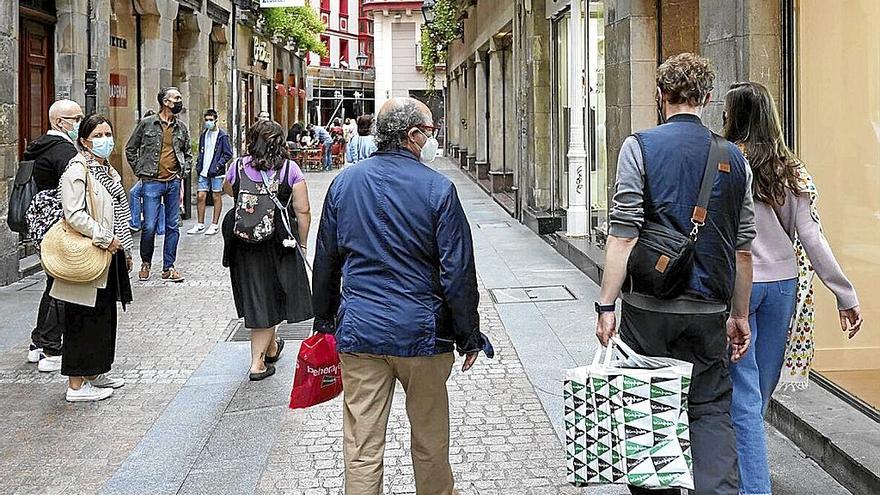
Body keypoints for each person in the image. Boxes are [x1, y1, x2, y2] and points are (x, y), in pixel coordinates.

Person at [311, 97, 493, 494]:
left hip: (360, 331)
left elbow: (326, 259)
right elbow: (458, 273)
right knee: (430, 443)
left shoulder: (345, 182)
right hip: (422, 335)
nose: (432, 138)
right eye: (430, 131)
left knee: (361, 446)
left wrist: (325, 322)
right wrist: (468, 335)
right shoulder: (438, 189)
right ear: (413, 136)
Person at [593, 53, 755, 495]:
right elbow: (743, 249)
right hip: (709, 310)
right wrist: (739, 315)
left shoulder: (638, 146)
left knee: (646, 410)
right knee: (710, 410)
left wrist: (607, 306)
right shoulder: (735, 158)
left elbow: (623, 235)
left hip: (648, 309)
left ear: (661, 96)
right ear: (705, 97)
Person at [722, 81, 863, 495]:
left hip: (739, 289)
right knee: (757, 393)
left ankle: (751, 485)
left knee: (745, 396)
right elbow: (812, 236)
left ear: (737, 116)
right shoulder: (790, 168)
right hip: (783, 286)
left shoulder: (727, 161)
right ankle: (746, 471)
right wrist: (845, 293)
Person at [222, 120, 313, 380]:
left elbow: (230, 191)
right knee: (271, 296)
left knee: (259, 296)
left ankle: (271, 347)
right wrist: (303, 243)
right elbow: (303, 210)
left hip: (243, 245)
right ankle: (257, 364)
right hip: (279, 244)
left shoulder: (238, 166)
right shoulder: (289, 169)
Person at [53, 114, 133, 402]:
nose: (105, 140)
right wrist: (104, 236)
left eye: (108, 134)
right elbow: (74, 214)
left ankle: (95, 371)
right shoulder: (77, 170)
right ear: (84, 140)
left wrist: (124, 247)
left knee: (103, 315)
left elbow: (119, 212)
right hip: (89, 252)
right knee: (82, 316)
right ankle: (76, 384)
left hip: (110, 253)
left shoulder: (107, 169)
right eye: (98, 135)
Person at [23, 99, 82, 372]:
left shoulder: (40, 145)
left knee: (53, 282)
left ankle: (38, 342)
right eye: (76, 118)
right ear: (60, 122)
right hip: (57, 223)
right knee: (63, 283)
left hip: (40, 220)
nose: (80, 122)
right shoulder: (64, 151)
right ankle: (50, 347)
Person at [125, 87, 192, 283]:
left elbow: (187, 152)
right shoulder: (147, 124)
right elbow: (130, 148)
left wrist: (183, 172)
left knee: (173, 225)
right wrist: (140, 170)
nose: (179, 101)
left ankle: (168, 267)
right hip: (151, 181)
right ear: (165, 101)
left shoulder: (181, 128)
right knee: (149, 225)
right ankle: (146, 262)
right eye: (176, 98)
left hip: (173, 181)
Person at [188, 109, 233, 236]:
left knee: (216, 196)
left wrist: (218, 164)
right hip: (204, 171)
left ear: (216, 120)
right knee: (201, 196)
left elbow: (228, 153)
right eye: (206, 120)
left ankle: (214, 224)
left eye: (210, 120)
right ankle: (200, 223)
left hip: (216, 172)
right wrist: (198, 165)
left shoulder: (222, 136)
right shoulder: (204, 135)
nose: (208, 122)